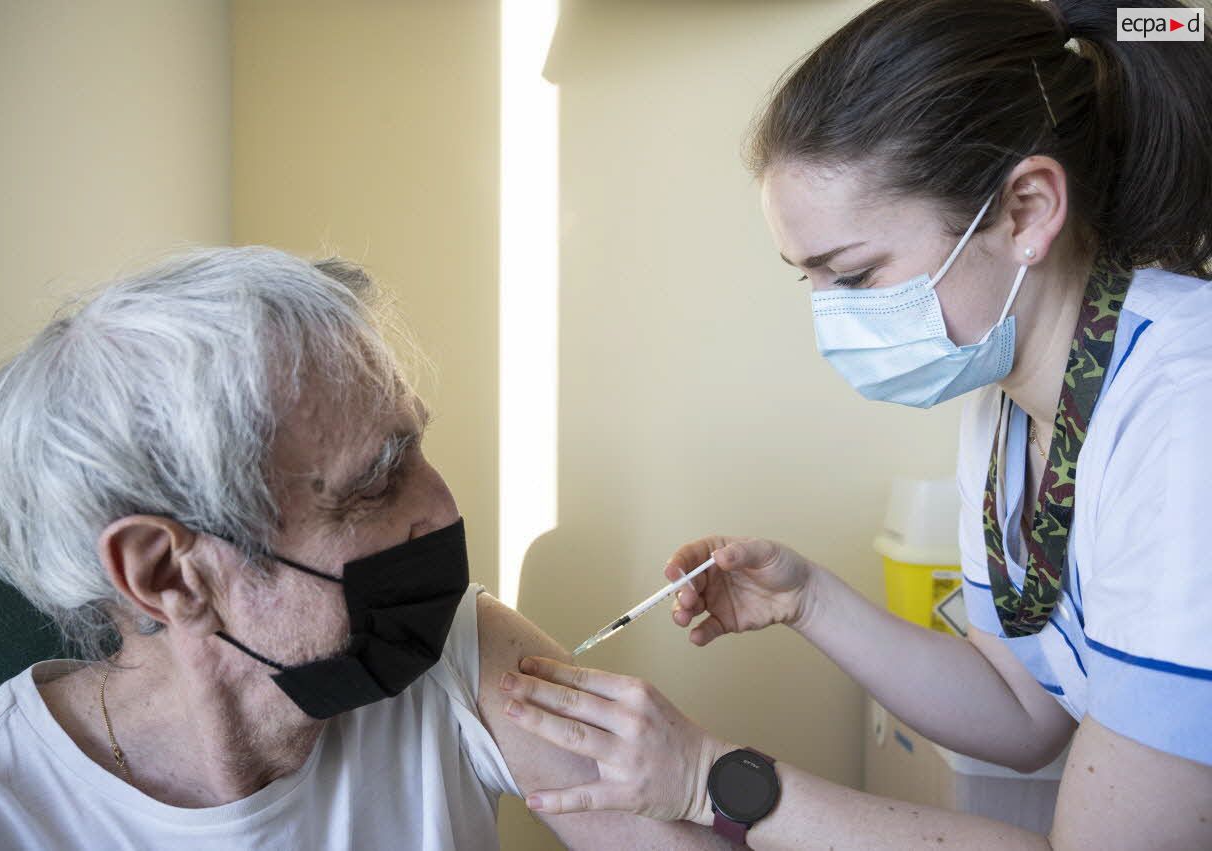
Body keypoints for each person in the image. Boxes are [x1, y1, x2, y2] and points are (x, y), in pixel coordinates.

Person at [498, 0, 1212, 847]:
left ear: (1024, 210)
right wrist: (809, 601)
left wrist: (704, 778)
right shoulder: (1007, 400)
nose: (833, 320)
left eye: (858, 274)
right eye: (813, 281)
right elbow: (1024, 713)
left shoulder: (1184, 420)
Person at [0, 248, 736, 850]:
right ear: (166, 574)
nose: (443, 509)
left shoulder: (453, 660)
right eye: (375, 484)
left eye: (416, 448)